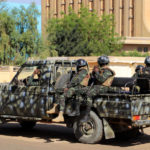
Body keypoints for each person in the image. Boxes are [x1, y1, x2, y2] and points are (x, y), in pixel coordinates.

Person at [80, 55, 120, 122]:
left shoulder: (108, 71)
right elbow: (93, 79)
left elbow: (101, 80)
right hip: (98, 87)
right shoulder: (100, 70)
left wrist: (96, 72)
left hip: (105, 87)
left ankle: (87, 114)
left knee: (89, 93)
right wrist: (94, 73)